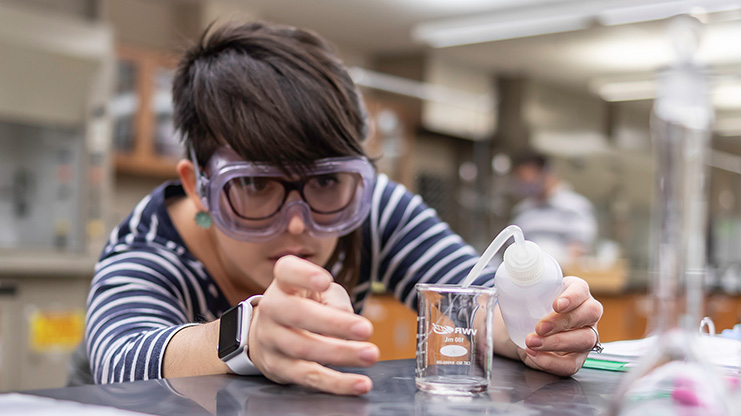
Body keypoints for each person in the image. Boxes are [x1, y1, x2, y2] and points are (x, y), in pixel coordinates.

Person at [85, 21, 603, 395]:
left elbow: (472, 299)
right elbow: (119, 358)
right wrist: (248, 336)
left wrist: (530, 330)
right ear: (198, 188)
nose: (297, 223)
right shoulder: (147, 248)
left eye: (327, 181)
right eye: (257, 188)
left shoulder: (370, 207)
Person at [510, 152, 598, 264]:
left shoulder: (576, 206)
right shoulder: (522, 211)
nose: (528, 183)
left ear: (547, 174)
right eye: (523, 179)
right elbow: (514, 249)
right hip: (526, 273)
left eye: (531, 178)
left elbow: (578, 248)